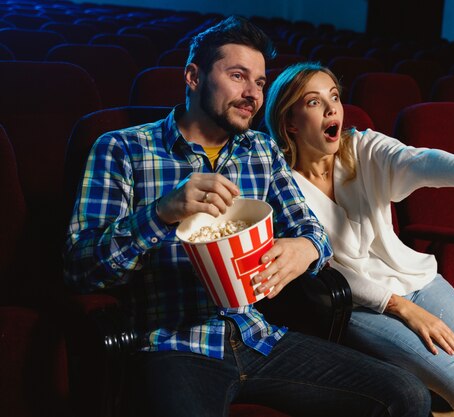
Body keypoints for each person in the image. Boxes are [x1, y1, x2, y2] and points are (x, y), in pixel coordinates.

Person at [63, 17, 432, 417]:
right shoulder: (122, 148)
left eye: (259, 83)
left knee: (407, 394)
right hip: (174, 344)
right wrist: (161, 213)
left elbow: (312, 230)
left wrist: (305, 248)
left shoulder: (260, 149)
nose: (252, 94)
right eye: (238, 76)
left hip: (259, 337)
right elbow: (82, 268)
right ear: (192, 76)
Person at [264, 62, 454, 417]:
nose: (333, 108)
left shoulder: (361, 147)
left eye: (334, 96)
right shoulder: (281, 186)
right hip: (358, 304)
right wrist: (404, 308)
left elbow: (420, 161)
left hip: (416, 279)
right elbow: (321, 270)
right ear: (289, 122)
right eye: (314, 102)